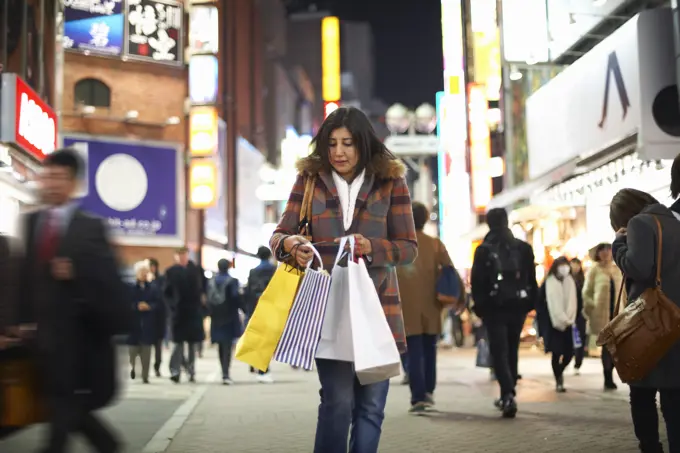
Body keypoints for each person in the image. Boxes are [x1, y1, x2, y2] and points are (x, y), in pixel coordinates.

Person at [269, 106, 417, 453]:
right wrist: (291, 245)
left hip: (378, 311)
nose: (338, 152)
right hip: (327, 310)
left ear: (363, 144)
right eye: (332, 143)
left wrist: (373, 247)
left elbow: (408, 248)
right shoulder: (308, 181)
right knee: (336, 402)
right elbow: (278, 236)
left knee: (371, 407)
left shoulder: (390, 181)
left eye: (347, 143)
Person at [16, 148, 129, 453]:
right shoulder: (31, 222)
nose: (50, 183)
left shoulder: (90, 227)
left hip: (79, 342)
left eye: (59, 177)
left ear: (74, 183)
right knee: (65, 409)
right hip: (43, 341)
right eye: (47, 176)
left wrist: (77, 273)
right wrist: (18, 322)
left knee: (63, 411)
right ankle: (109, 445)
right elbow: (25, 278)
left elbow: (109, 282)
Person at [610, 188, 680, 453]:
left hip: (650, 323)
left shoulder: (640, 223)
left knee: (641, 393)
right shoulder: (674, 220)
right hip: (676, 321)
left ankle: (651, 448)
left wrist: (619, 244)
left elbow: (638, 267)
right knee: (674, 395)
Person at [470, 207, 537, 418]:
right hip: (518, 307)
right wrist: (529, 304)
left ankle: (507, 393)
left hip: (494, 309)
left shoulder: (483, 250)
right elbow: (531, 280)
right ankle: (508, 393)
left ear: (489, 224)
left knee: (499, 351)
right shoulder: (523, 248)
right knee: (512, 348)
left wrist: (480, 308)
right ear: (507, 221)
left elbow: (477, 283)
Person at [396, 202, 455, 414]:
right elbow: (449, 270)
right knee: (430, 351)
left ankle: (417, 397)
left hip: (406, 308)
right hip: (432, 307)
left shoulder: (399, 247)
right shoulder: (435, 244)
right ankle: (429, 391)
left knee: (413, 352)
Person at [582, 243, 624, 390]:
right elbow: (586, 293)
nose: (606, 253)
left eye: (608, 249)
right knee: (607, 347)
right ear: (598, 253)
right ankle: (608, 377)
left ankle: (610, 371)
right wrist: (591, 307)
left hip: (618, 315)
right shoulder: (594, 270)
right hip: (601, 315)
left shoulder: (617, 269)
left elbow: (623, 291)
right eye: (603, 250)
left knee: (617, 348)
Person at [537, 257, 578, 393]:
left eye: (566, 265)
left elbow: (577, 301)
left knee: (569, 353)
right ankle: (558, 381)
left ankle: (559, 371)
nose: (564, 268)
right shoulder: (548, 283)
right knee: (556, 353)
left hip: (569, 322)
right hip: (552, 324)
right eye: (561, 265)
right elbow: (540, 303)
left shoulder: (571, 282)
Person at [164, 248, 205, 383]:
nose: (182, 257)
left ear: (188, 255)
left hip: (193, 312)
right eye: (180, 255)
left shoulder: (197, 270)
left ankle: (191, 371)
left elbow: (204, 289)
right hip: (178, 313)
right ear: (176, 256)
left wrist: (202, 307)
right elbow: (166, 292)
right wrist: (172, 307)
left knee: (192, 344)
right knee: (177, 344)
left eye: (184, 255)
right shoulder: (171, 272)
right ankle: (175, 371)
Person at [244, 246, 277, 383]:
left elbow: (248, 293)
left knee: (257, 337)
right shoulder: (275, 270)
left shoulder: (253, 272)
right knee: (268, 339)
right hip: (272, 308)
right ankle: (264, 368)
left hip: (256, 308)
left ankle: (255, 363)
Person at [207, 258, 242, 385]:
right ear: (228, 267)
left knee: (221, 346)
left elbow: (208, 299)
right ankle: (226, 374)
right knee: (228, 346)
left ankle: (223, 371)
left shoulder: (211, 282)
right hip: (229, 317)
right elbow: (235, 298)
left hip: (216, 317)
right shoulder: (232, 281)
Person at [127, 260, 160, 384]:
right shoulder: (130, 288)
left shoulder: (152, 288)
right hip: (134, 324)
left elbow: (158, 303)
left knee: (146, 353)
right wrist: (136, 306)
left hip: (148, 324)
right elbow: (126, 303)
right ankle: (133, 370)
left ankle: (145, 375)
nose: (144, 274)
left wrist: (149, 306)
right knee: (132, 352)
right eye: (142, 272)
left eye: (146, 272)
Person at [147, 257, 166, 377]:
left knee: (158, 345)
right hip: (147, 318)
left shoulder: (161, 280)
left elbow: (162, 297)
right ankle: (145, 368)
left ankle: (157, 367)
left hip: (159, 317)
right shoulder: (143, 280)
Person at [569, 257, 587, 373]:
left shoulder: (584, 279)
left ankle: (578, 363)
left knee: (580, 338)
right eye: (573, 264)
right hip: (570, 313)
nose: (575, 266)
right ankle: (568, 358)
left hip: (581, 313)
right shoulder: (567, 279)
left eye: (577, 264)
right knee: (569, 339)